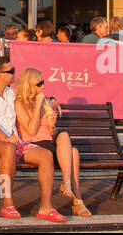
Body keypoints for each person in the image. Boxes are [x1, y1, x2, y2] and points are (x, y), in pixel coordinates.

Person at [0, 56, 63, 222]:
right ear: (0, 75)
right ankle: (7, 204)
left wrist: (53, 101)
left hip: (13, 143)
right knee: (8, 148)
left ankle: (46, 207)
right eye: (11, 71)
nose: (15, 74)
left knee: (46, 155)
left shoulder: (10, 93)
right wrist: (5, 138)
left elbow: (31, 95)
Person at [13, 67, 92, 217]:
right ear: (29, 84)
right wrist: (38, 107)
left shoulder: (44, 103)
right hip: (34, 146)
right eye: (39, 84)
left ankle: (67, 184)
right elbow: (31, 131)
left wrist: (51, 124)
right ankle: (78, 201)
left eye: (43, 83)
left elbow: (50, 133)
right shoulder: (19, 103)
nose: (43, 87)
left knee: (66, 140)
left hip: (48, 143)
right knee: (72, 153)